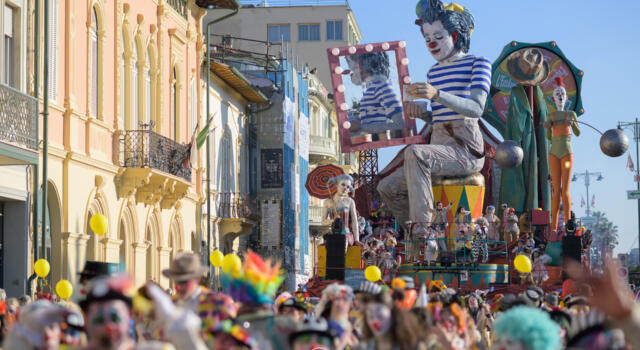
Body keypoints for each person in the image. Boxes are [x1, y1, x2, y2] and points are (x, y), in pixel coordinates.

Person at [377, 0, 491, 235]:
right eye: (427, 36)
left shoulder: (478, 63)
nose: (431, 42)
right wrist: (425, 114)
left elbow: (476, 108)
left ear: (455, 36)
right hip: (438, 148)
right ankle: (416, 230)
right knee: (386, 187)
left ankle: (423, 228)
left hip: (466, 151)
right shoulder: (433, 71)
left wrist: (437, 94)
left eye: (438, 36)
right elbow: (440, 117)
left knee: (415, 152)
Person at [346, 52, 406, 139]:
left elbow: (401, 124)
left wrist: (361, 127)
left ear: (366, 67)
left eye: (355, 68)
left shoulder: (381, 87)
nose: (351, 73)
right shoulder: (373, 88)